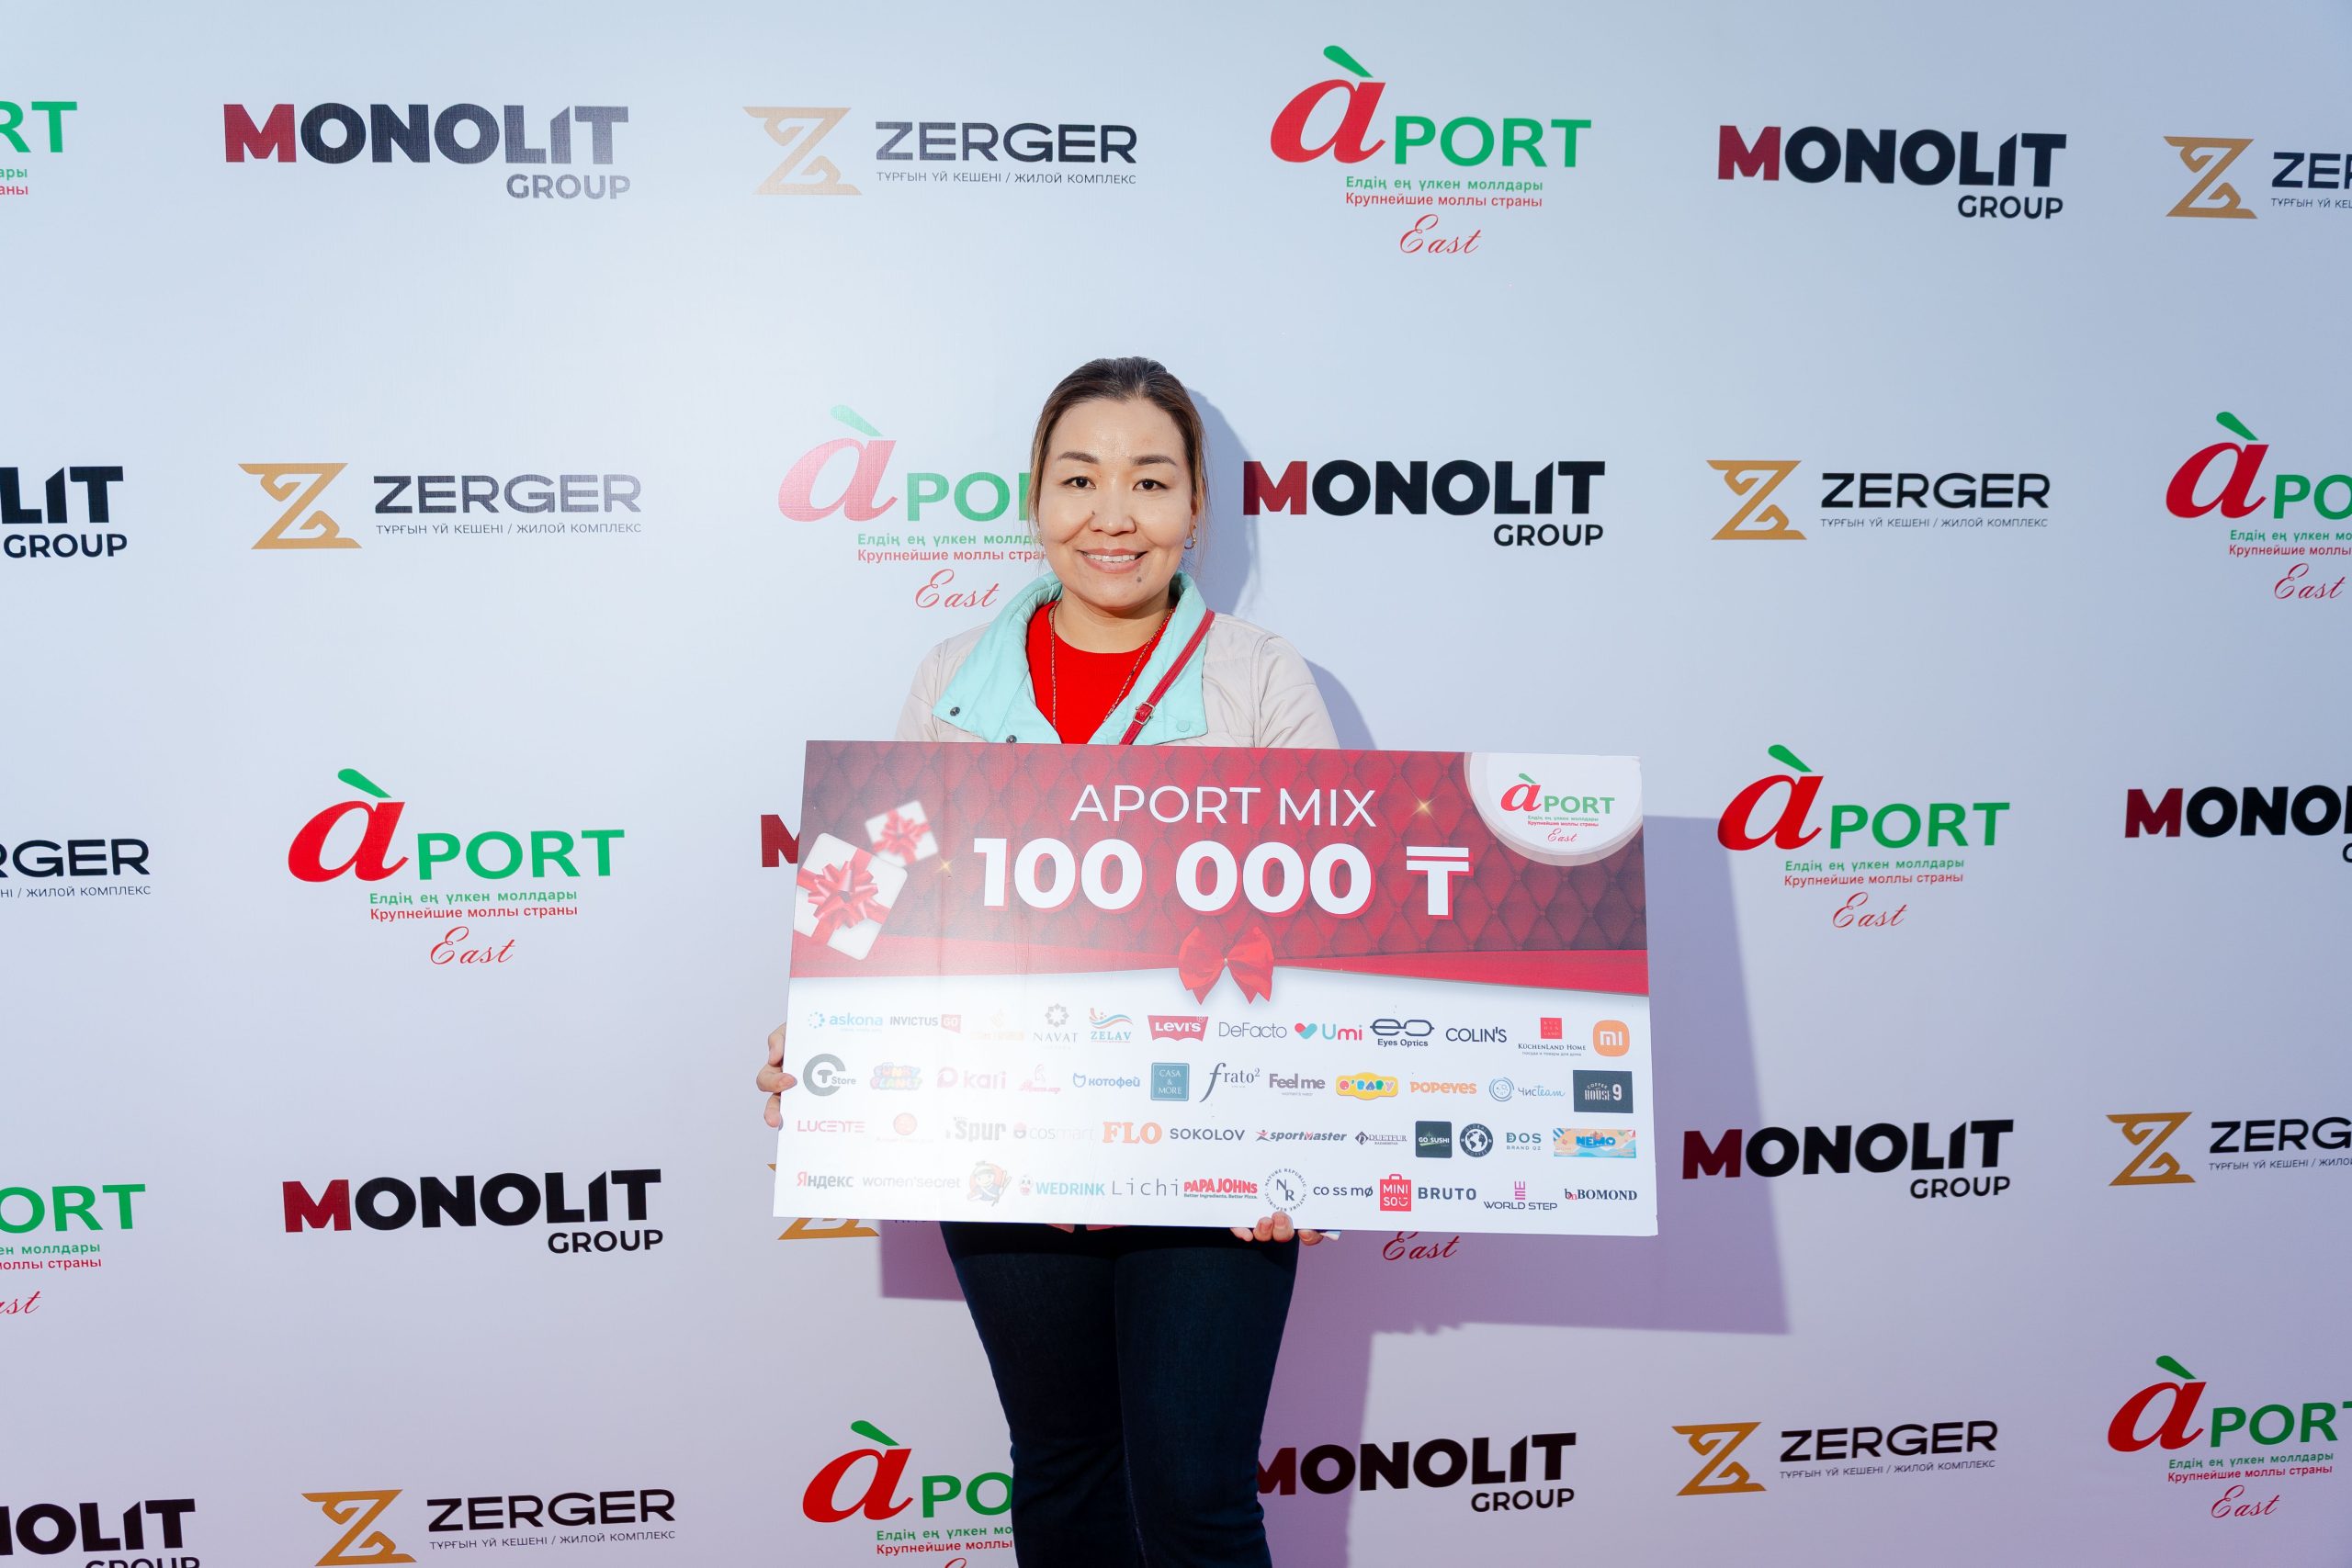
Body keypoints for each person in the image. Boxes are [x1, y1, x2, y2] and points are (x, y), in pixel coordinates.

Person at [758, 356, 1336, 1567]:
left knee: (1196, 1496)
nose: (1112, 515)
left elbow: (1329, 929)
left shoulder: (1258, 677)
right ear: (1035, 497)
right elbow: (880, 904)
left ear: (1197, 508)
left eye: (1150, 482)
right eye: (1079, 479)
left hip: (1212, 1148)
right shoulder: (952, 678)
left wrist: (1329, 1137)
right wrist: (826, 1038)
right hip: (1006, 1139)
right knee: (1065, 1477)